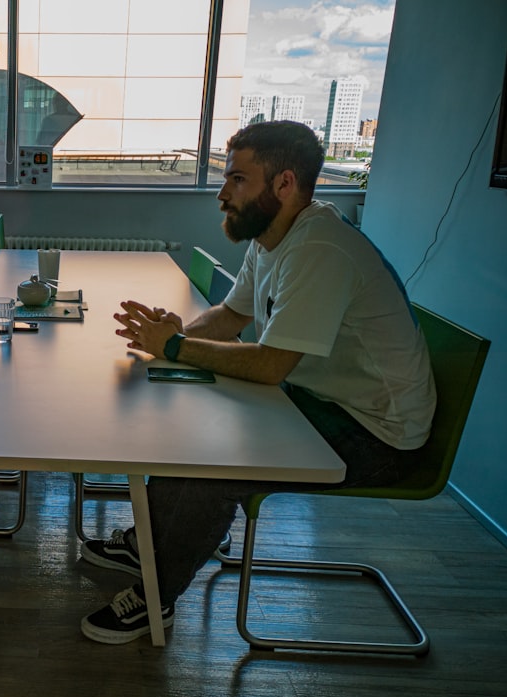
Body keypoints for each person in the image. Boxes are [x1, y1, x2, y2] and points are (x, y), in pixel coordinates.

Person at [79, 120, 436, 644]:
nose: (223, 194)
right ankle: (149, 543)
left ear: (284, 184)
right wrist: (172, 336)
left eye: (238, 180)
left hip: (378, 434)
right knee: (185, 422)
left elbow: (270, 365)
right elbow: (230, 315)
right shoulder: (273, 237)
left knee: (220, 463)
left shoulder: (320, 249)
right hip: (319, 401)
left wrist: (175, 348)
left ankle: (158, 596)